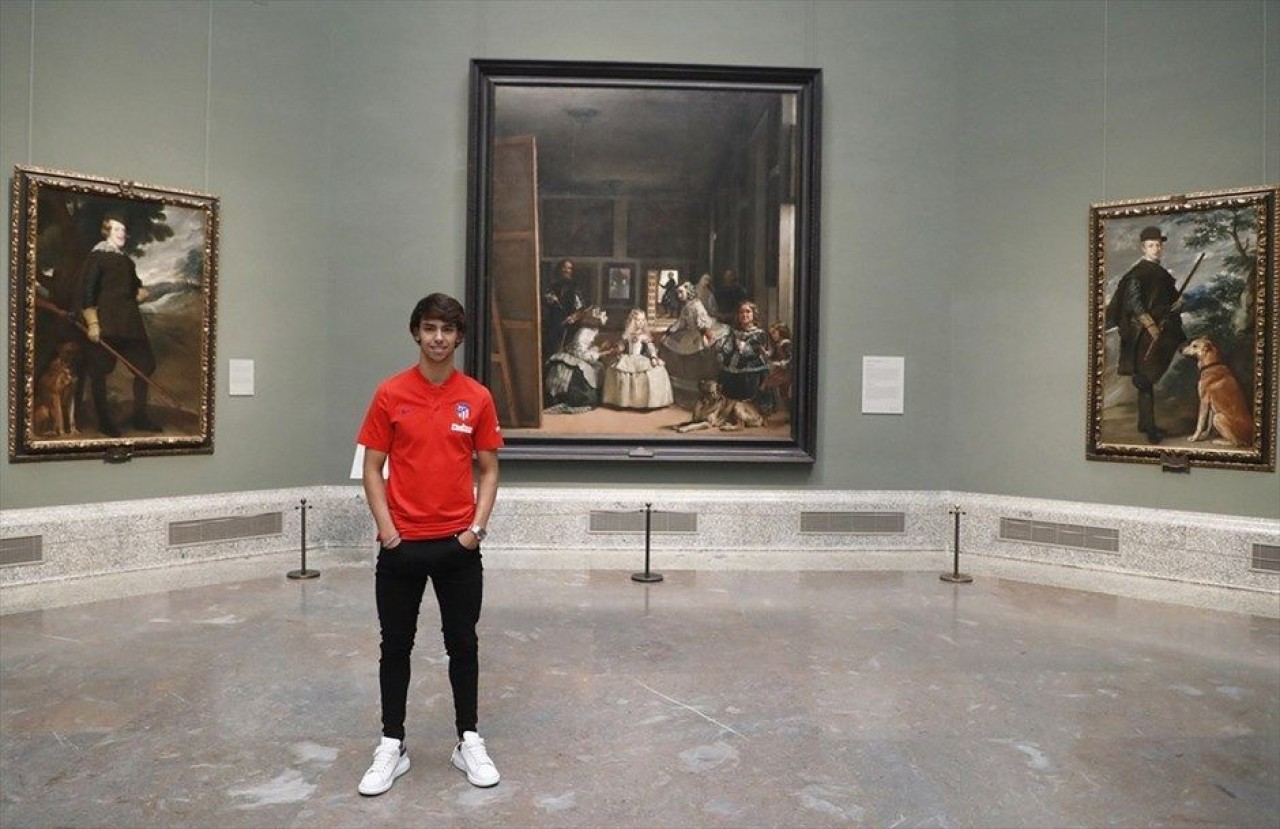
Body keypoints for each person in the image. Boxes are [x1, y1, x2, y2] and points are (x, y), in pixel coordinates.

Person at [355, 292, 504, 796]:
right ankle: (392, 744)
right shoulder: (390, 393)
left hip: (458, 547)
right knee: (395, 645)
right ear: (416, 333)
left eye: (447, 329)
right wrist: (388, 532)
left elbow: (489, 469)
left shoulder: (477, 397)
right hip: (402, 547)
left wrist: (475, 532)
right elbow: (372, 468)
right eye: (430, 328)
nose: (438, 338)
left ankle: (468, 740)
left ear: (459, 336)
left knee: (463, 643)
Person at [78, 215, 159, 436]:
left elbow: (134, 287)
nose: (122, 234)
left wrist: (139, 291)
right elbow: (88, 292)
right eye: (116, 230)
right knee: (100, 369)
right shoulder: (97, 258)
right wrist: (93, 323)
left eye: (123, 230)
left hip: (130, 323)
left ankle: (140, 417)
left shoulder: (127, 261)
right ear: (106, 232)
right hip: (107, 323)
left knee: (145, 365)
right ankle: (104, 421)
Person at [1105, 225, 1187, 444]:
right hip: (1141, 334)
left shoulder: (1162, 273)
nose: (1156, 249)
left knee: (1147, 378)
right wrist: (1151, 326)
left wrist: (1178, 304)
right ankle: (1149, 427)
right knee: (1145, 378)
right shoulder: (1137, 274)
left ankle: (1145, 423)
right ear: (1143, 247)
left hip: (1159, 330)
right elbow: (1135, 304)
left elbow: (1170, 300)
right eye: (1152, 245)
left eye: (1159, 245)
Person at [602, 308, 674, 410]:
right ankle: (624, 401)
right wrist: (617, 349)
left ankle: (642, 402)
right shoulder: (628, 335)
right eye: (638, 320)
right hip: (628, 357)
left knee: (655, 371)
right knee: (615, 370)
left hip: (640, 358)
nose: (640, 323)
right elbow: (622, 345)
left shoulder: (644, 336)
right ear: (632, 321)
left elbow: (650, 347)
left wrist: (653, 357)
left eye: (642, 320)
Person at [544, 306, 609, 412]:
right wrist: (600, 353)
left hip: (581, 354)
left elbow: (587, 347)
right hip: (575, 357)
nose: (598, 325)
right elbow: (579, 352)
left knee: (599, 366)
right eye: (596, 321)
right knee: (590, 369)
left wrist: (599, 349)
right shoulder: (583, 332)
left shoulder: (592, 330)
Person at [718, 300, 772, 406]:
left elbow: (755, 351)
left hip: (750, 371)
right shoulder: (734, 332)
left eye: (748, 312)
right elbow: (727, 346)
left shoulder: (759, 333)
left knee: (746, 399)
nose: (744, 315)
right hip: (732, 370)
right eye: (741, 312)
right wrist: (723, 352)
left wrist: (742, 347)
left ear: (753, 315)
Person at [541, 259, 584, 362]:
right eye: (564, 267)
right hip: (553, 325)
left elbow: (580, 308)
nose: (566, 270)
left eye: (569, 268)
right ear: (559, 269)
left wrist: (573, 317)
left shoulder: (575, 287)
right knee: (552, 353)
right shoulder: (552, 286)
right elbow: (544, 303)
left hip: (570, 327)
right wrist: (549, 300)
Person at [760, 321, 793, 416]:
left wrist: (784, 362)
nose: (772, 335)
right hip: (779, 371)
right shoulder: (778, 344)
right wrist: (765, 353)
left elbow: (791, 358)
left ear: (781, 331)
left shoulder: (786, 343)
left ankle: (772, 408)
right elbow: (773, 356)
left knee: (767, 385)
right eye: (771, 334)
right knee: (782, 392)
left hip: (785, 372)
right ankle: (777, 409)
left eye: (774, 333)